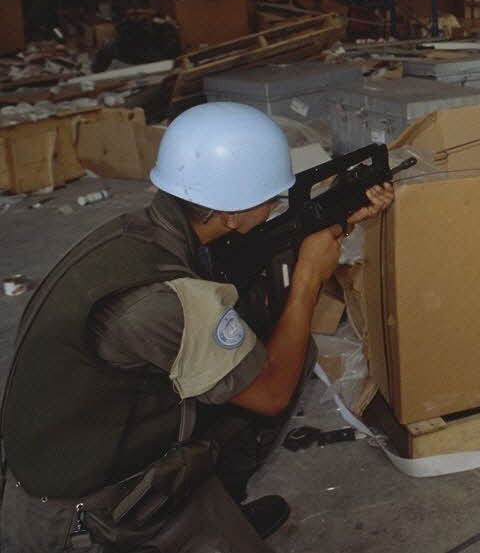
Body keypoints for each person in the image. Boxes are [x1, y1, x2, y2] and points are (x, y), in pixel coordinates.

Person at [1, 102, 394, 551]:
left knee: (269, 344)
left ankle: (221, 504)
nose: (275, 207)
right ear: (229, 214)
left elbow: (262, 244)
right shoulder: (163, 301)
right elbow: (270, 394)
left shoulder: (146, 232)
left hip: (92, 438)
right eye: (269, 199)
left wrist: (338, 220)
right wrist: (308, 278)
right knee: (276, 357)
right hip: (86, 507)